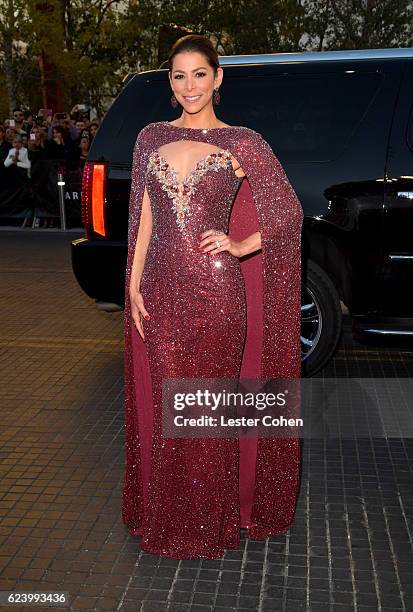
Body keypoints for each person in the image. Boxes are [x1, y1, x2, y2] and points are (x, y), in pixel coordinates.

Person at [123, 34, 304, 559]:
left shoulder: (242, 144)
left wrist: (241, 243)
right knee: (166, 404)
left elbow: (287, 214)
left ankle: (211, 520)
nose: (188, 86)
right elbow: (146, 221)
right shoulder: (149, 139)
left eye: (199, 74)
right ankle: (168, 514)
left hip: (218, 291)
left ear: (218, 78)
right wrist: (133, 283)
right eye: (178, 77)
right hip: (159, 290)